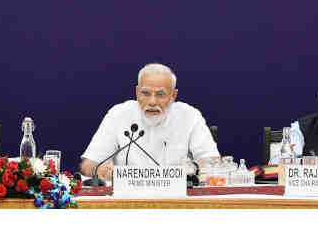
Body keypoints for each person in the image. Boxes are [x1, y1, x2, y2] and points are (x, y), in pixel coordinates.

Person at [79, 63, 220, 181]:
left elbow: (213, 161)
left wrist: (192, 167)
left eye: (160, 94)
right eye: (145, 93)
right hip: (127, 199)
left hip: (176, 199)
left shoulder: (189, 115)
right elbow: (87, 165)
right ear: (137, 92)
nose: (152, 102)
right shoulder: (118, 114)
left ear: (173, 95)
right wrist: (99, 170)